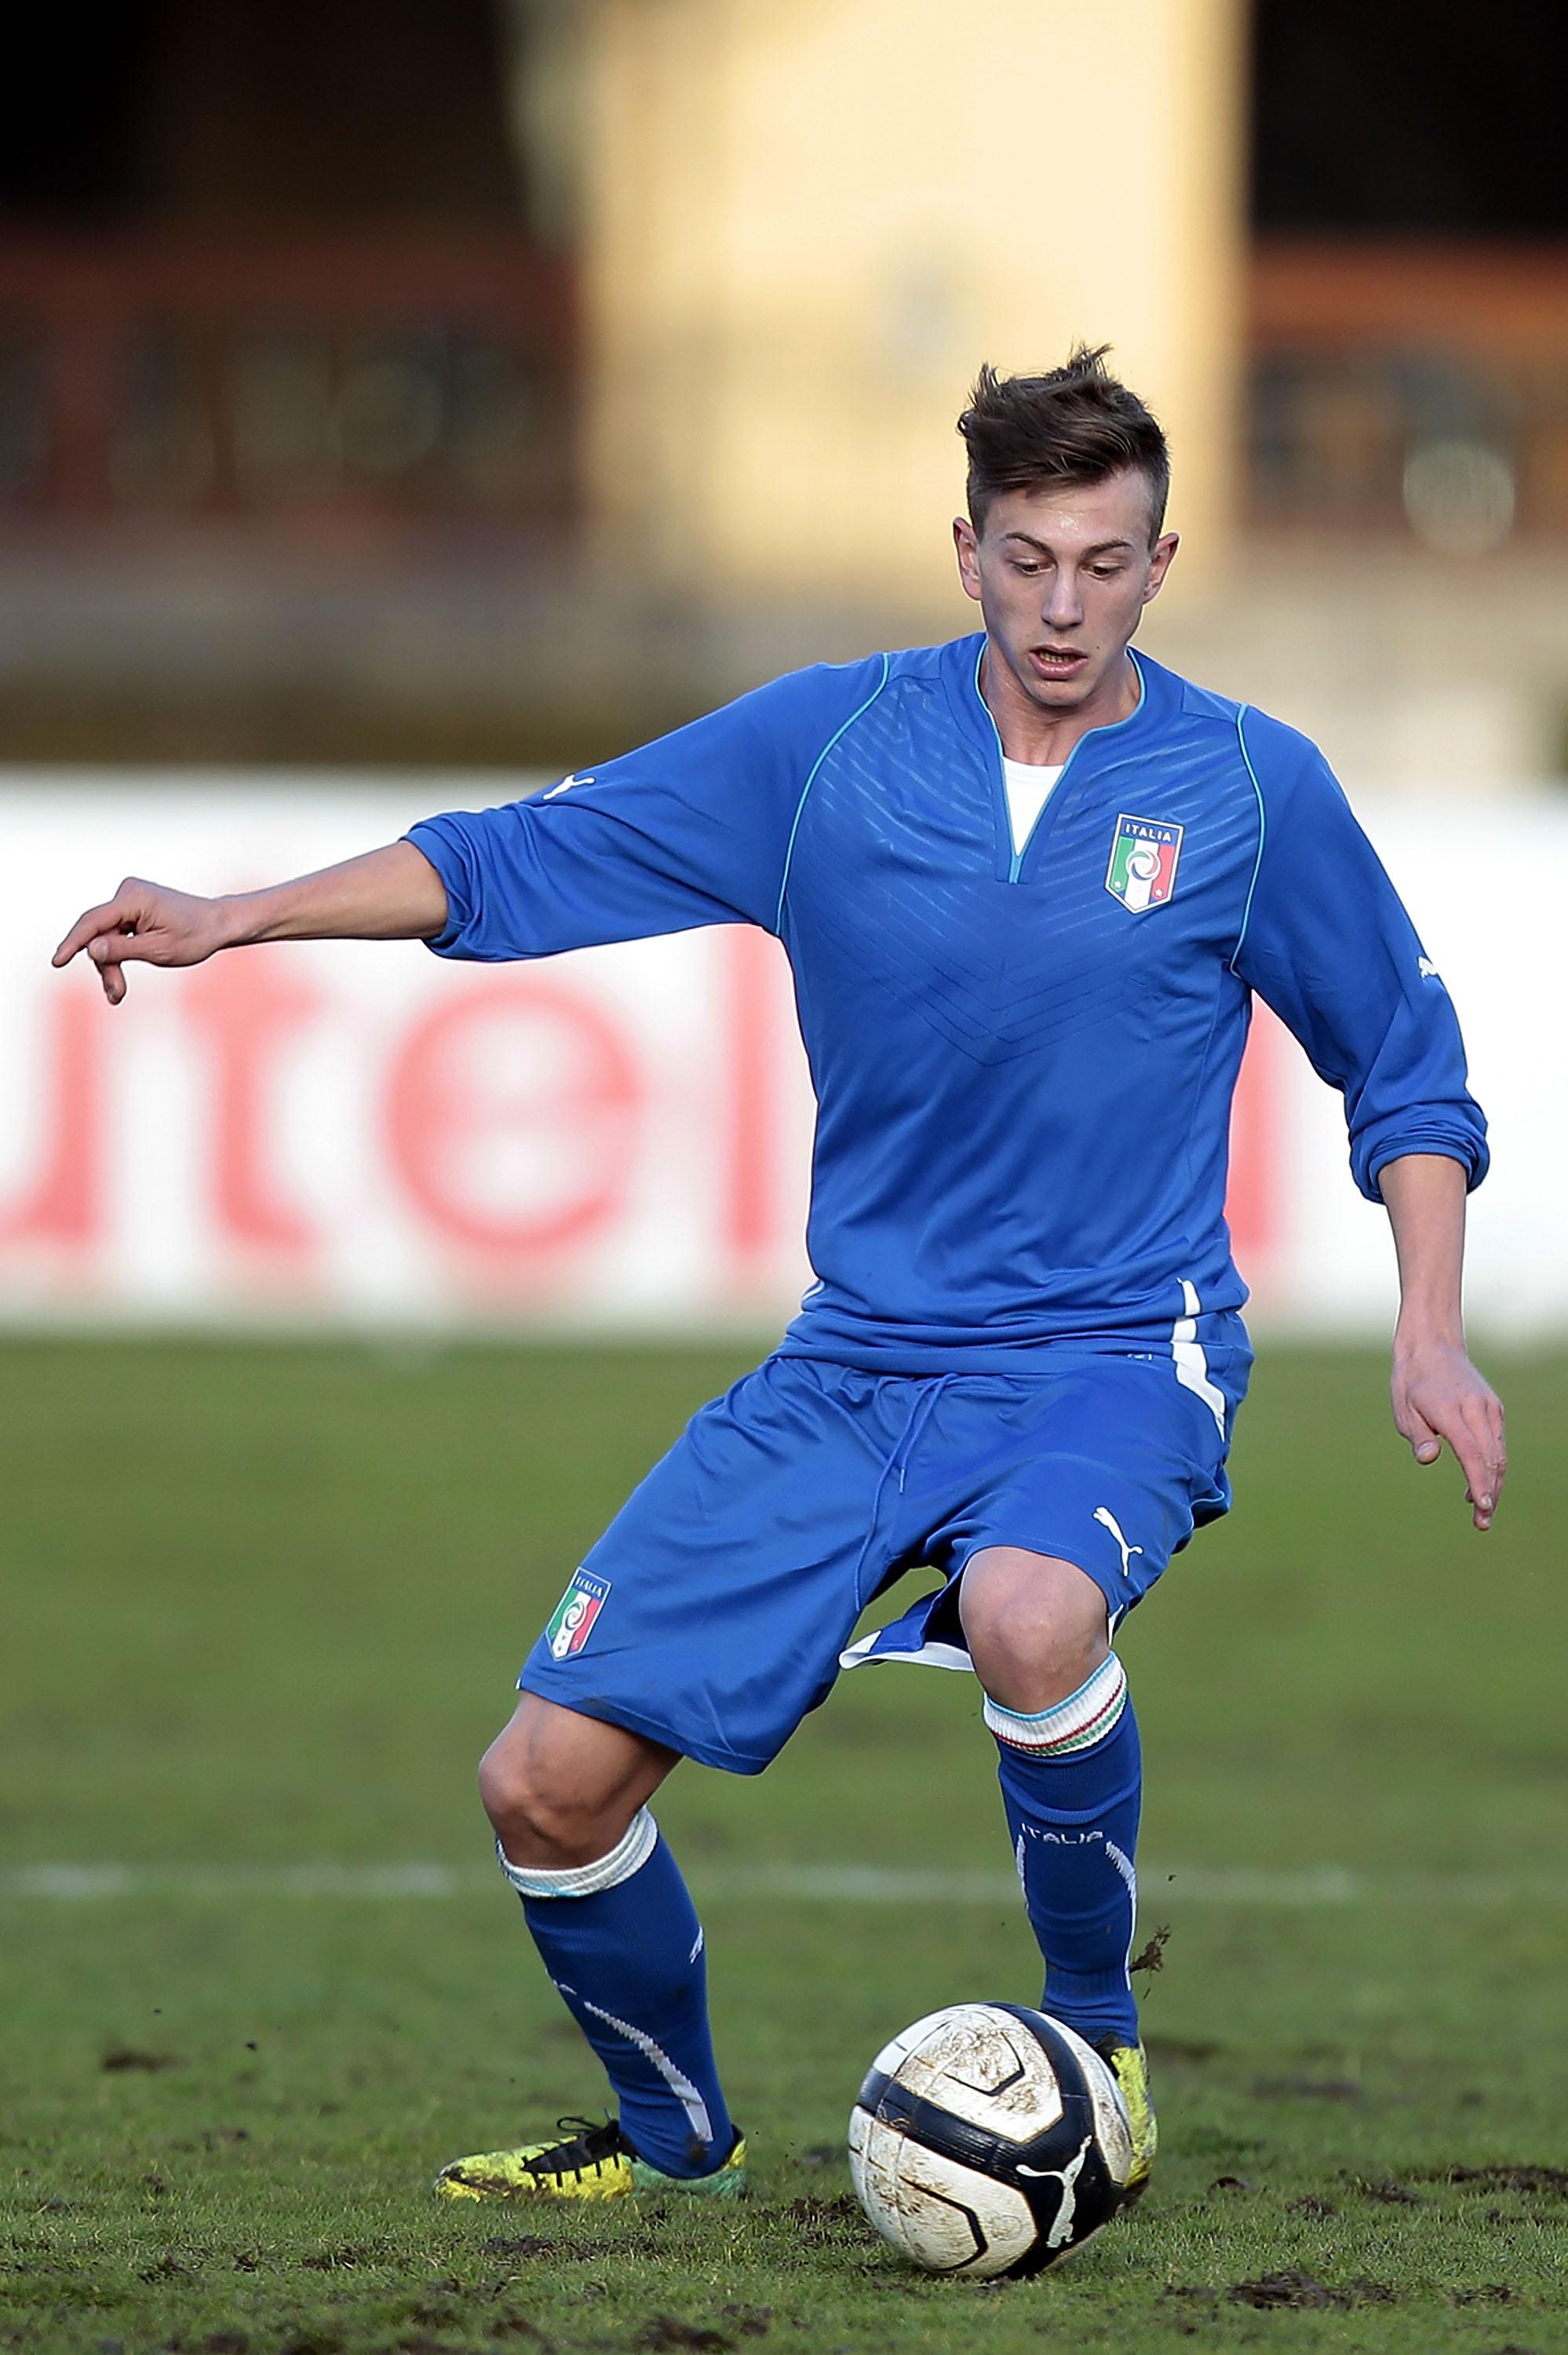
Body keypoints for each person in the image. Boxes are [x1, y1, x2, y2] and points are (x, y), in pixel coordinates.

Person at [54, 348, 1504, 2210]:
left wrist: (1430, 1322)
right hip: (855, 1366)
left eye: (1109, 562)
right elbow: (525, 858)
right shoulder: (823, 748)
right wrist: (238, 914)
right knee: (542, 1787)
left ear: (1164, 562)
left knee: (1037, 1615)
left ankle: (1103, 2056)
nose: (1066, 604)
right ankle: (672, 2152)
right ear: (964, 550)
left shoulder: (1245, 785)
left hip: (1110, 1353)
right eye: (1030, 558)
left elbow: (1405, 1065)